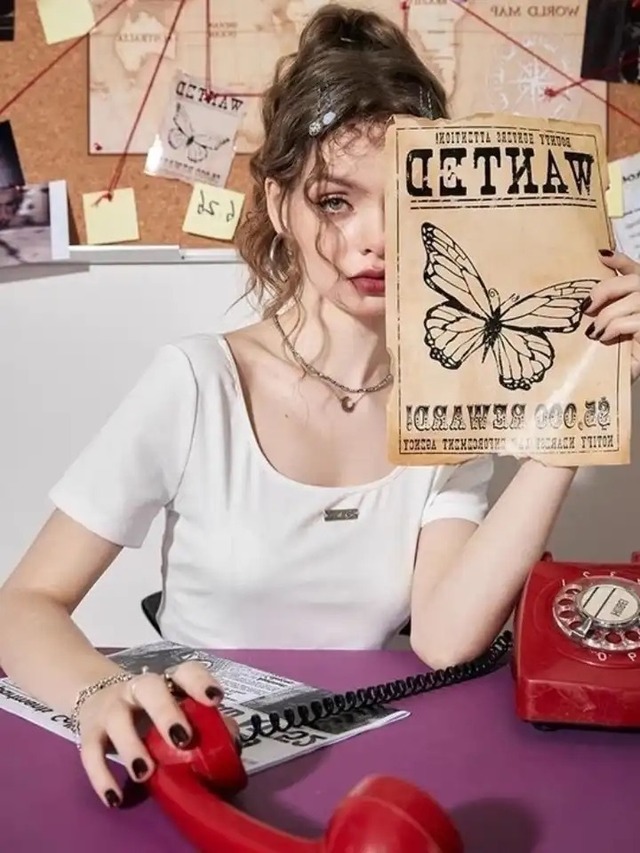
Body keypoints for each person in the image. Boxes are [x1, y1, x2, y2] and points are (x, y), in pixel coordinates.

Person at [0, 3, 639, 810]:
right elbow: (22, 605)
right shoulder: (198, 381)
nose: (374, 238)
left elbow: (445, 637)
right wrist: (99, 692)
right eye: (336, 200)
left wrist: (584, 397)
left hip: (370, 771)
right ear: (280, 204)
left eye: (403, 202)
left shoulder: (445, 405)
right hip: (197, 769)